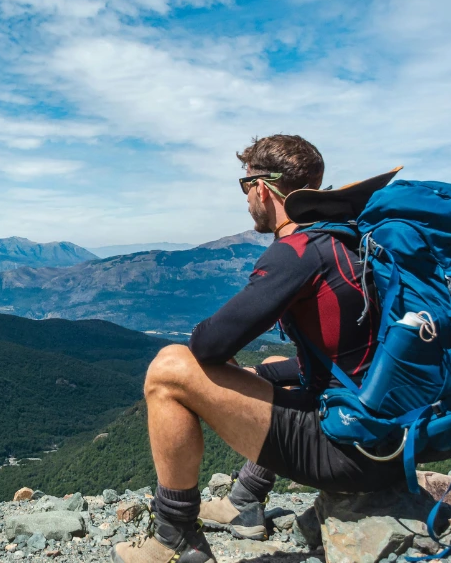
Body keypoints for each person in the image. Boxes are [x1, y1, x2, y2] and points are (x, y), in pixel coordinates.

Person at [113, 134, 401, 563]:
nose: (247, 200)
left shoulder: (298, 250)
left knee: (168, 369)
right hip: (390, 439)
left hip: (350, 451)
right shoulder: (348, 238)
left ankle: (174, 538)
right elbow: (338, 358)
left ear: (262, 188)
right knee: (270, 364)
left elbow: (208, 345)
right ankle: (245, 500)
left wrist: (208, 349)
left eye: (245, 187)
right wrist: (255, 375)